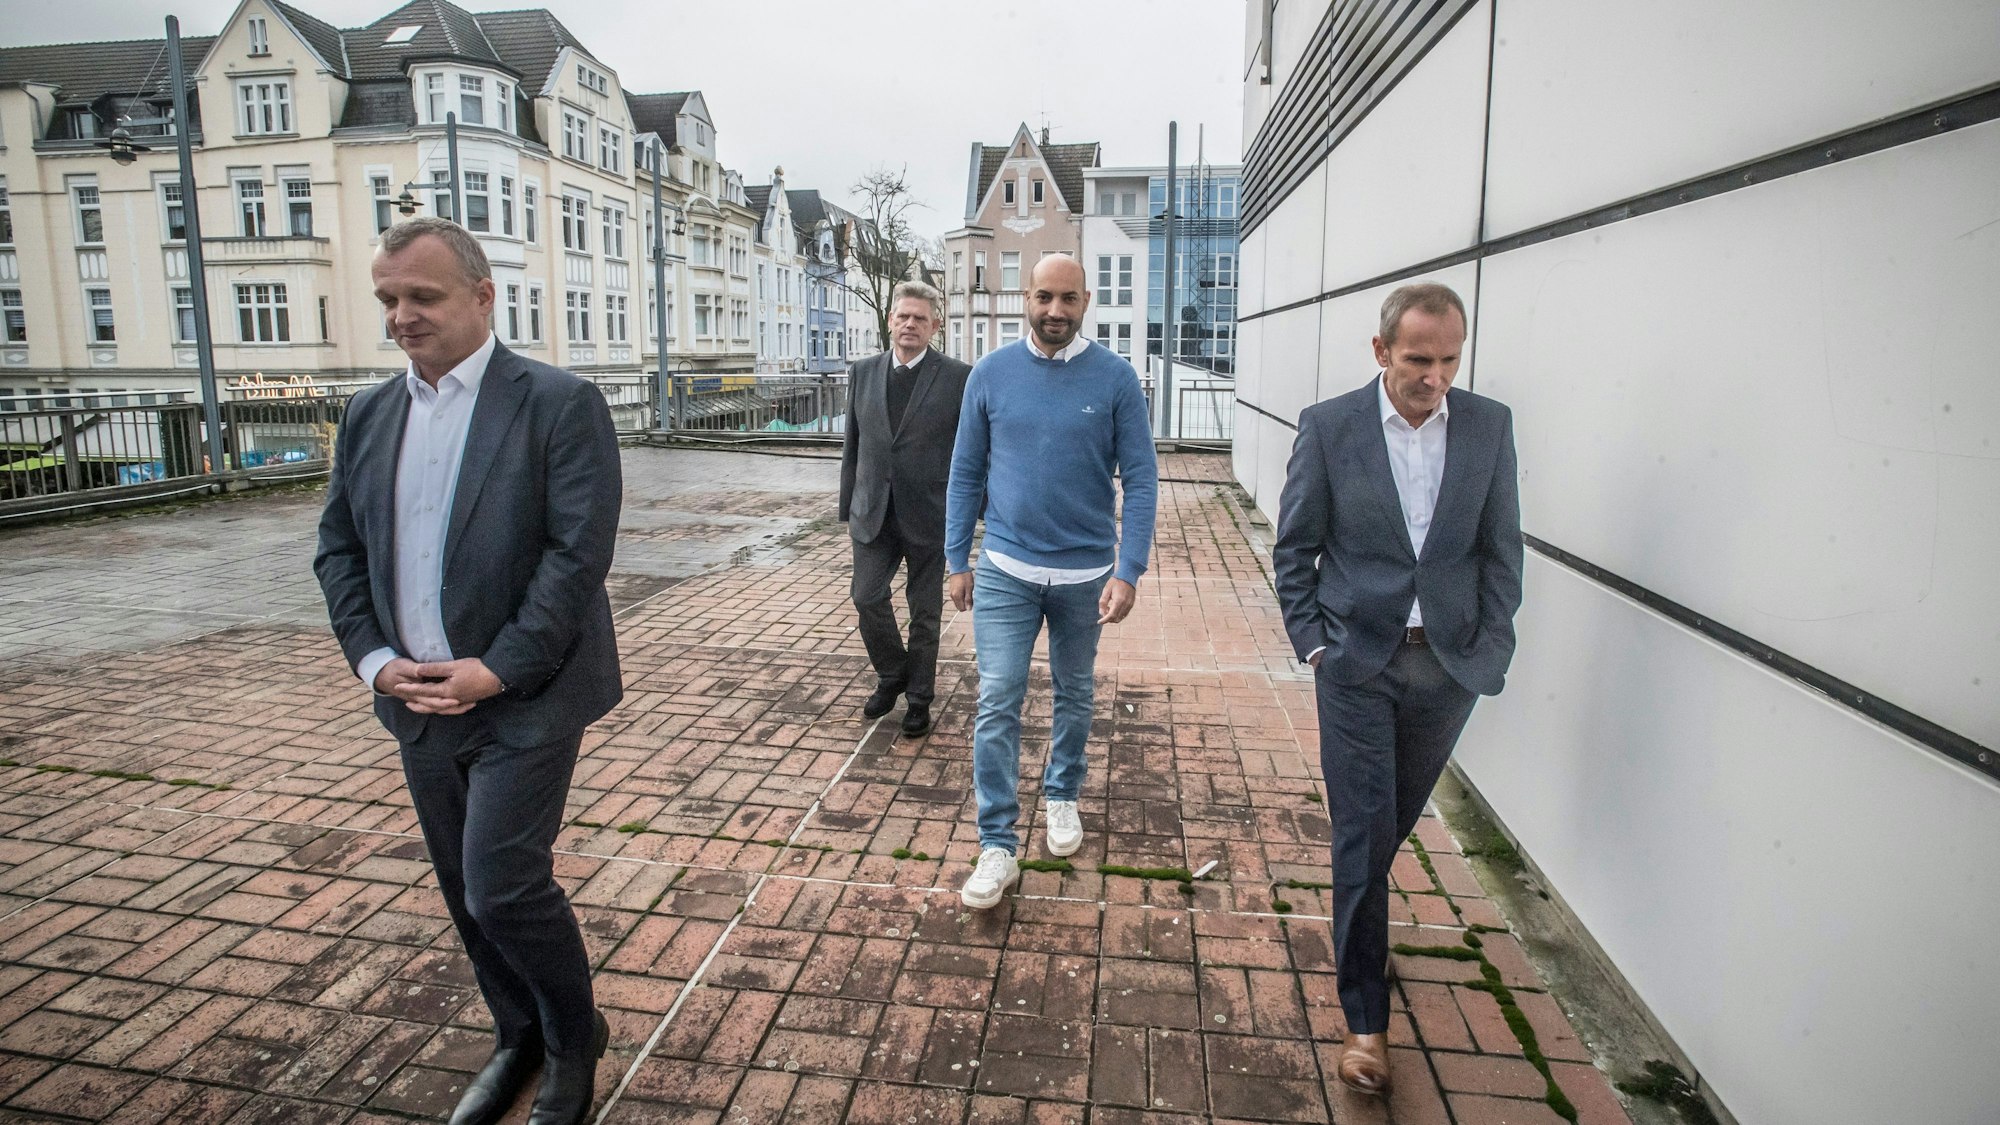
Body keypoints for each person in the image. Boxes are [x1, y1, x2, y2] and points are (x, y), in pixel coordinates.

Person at [314, 216, 622, 1125]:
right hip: (415, 700)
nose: (402, 317)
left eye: (422, 296)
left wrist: (496, 669)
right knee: (460, 886)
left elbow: (576, 559)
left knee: (504, 882)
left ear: (483, 297)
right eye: (388, 300)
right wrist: (374, 660)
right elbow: (338, 549)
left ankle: (573, 1039)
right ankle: (515, 1031)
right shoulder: (370, 412)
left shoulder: (558, 404)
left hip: (525, 694)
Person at [1271, 282, 1523, 1095]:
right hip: (1356, 665)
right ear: (1381, 352)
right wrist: (1314, 643)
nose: (1437, 376)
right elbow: (1295, 547)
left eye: (1451, 359)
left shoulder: (1489, 426)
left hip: (1446, 668)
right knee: (1359, 833)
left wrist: (1486, 647)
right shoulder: (1330, 426)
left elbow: (1501, 550)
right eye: (1420, 359)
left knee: (1384, 831)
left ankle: (1363, 934)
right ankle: (1365, 1019)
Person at [944, 254, 1158, 909]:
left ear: (1086, 299)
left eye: (1068, 298)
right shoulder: (990, 374)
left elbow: (1142, 480)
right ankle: (997, 844)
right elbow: (964, 473)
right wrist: (957, 558)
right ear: (1026, 298)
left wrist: (1130, 569)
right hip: (1006, 569)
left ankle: (1062, 792)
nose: (1055, 310)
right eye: (1044, 297)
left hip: (1084, 576)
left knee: (1073, 691)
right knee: (998, 698)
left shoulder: (1117, 379)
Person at [839, 282, 972, 737]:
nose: (909, 324)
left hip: (930, 512)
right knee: (866, 596)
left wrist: (971, 512)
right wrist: (848, 504)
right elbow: (853, 447)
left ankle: (918, 698)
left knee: (925, 613)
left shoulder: (958, 377)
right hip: (873, 509)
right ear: (890, 321)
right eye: (903, 316)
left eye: (919, 318)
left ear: (935, 325)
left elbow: (972, 451)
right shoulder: (862, 372)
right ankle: (893, 672)